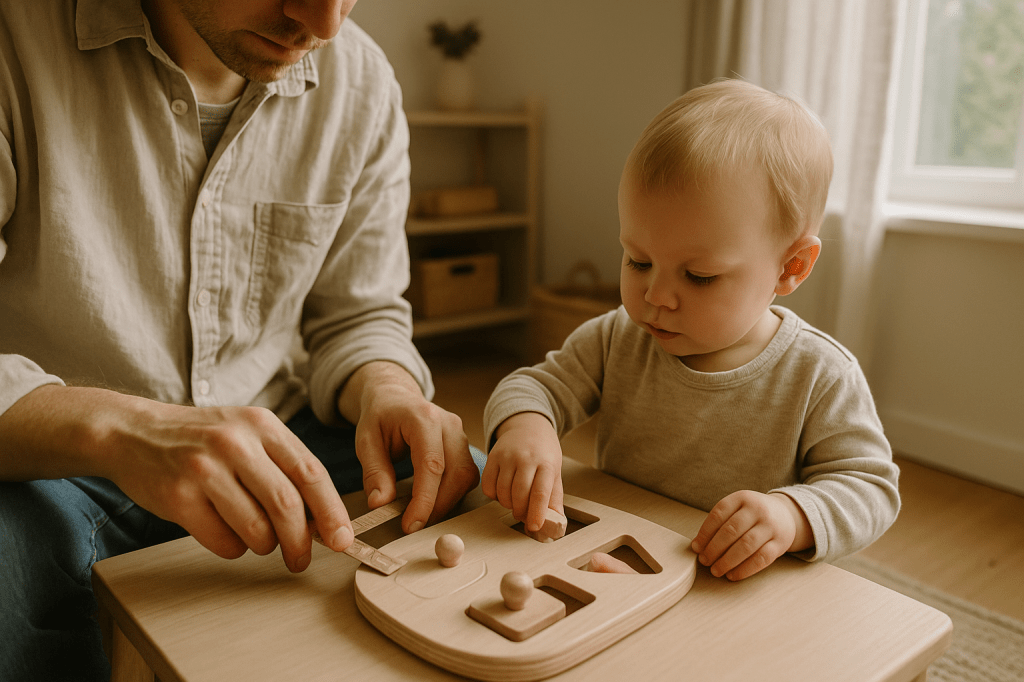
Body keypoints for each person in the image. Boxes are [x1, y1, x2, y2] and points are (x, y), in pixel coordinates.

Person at [0, 1, 482, 679]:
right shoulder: (13, 39)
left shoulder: (362, 82)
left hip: (283, 435)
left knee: (466, 482)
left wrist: (388, 387)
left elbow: (359, 314)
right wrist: (126, 431)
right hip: (55, 460)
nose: (323, 25)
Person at [482, 79, 900, 581]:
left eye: (699, 276)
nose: (656, 295)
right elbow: (534, 385)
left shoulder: (820, 374)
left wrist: (793, 517)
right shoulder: (620, 336)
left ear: (791, 267)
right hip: (620, 557)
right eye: (638, 261)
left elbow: (870, 488)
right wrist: (528, 426)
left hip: (730, 586)